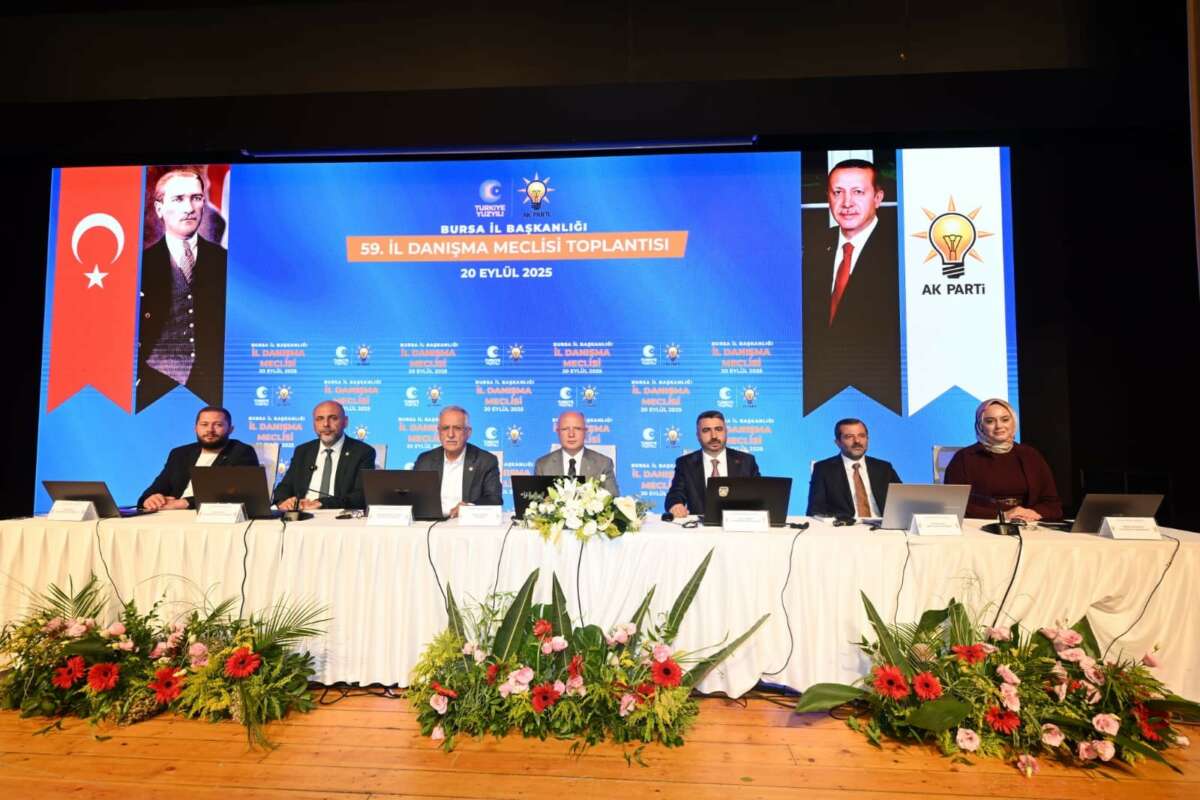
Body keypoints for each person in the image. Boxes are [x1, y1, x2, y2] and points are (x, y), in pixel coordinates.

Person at [802, 158, 901, 415]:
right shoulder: (812, 247)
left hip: (881, 395)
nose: (846, 203)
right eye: (838, 192)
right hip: (818, 392)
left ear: (878, 198)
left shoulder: (900, 248)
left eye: (858, 192)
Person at [136, 166, 228, 412]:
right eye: (178, 199)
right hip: (154, 385)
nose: (189, 208)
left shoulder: (226, 262)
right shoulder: (140, 265)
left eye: (196, 198)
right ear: (159, 208)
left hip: (212, 386)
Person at [943, 398, 1062, 521]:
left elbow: (1052, 504)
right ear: (980, 426)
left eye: (1005, 420)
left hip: (1027, 525)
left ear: (1013, 422)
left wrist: (1033, 513)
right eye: (990, 421)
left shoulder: (1030, 455)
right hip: (981, 526)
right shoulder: (964, 458)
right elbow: (954, 505)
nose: (999, 426)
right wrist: (1001, 516)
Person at [138, 406, 258, 510]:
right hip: (170, 515)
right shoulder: (180, 454)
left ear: (230, 429)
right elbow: (156, 488)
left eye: (218, 425)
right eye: (204, 424)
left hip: (212, 517)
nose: (210, 430)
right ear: (195, 428)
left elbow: (236, 495)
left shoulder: (241, 452)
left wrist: (185, 503)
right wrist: (150, 499)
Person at [273, 400, 375, 511]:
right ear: (314, 424)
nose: (326, 424)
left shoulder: (362, 452)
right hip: (302, 514)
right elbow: (284, 487)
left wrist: (322, 503)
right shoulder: (303, 451)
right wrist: (283, 501)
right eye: (319, 419)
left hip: (337, 515)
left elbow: (361, 496)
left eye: (333, 418)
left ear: (345, 422)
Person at [665, 410, 760, 518]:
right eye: (706, 430)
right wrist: (675, 505)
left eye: (718, 429)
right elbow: (675, 494)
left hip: (739, 524)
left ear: (726, 432)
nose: (714, 436)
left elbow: (759, 494)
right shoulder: (685, 464)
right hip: (700, 526)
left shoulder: (746, 461)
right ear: (698, 435)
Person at [413, 405, 502, 518]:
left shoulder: (485, 461)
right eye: (445, 428)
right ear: (439, 432)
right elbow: (414, 498)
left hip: (466, 523)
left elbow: (494, 499)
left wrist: (469, 508)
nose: (450, 435)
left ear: (468, 432)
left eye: (457, 428)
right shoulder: (425, 460)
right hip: (431, 523)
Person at [807, 418, 901, 518]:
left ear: (867, 439)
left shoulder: (884, 468)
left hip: (882, 525)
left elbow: (903, 501)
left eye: (862, 435)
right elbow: (815, 511)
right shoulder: (823, 469)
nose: (857, 441)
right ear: (838, 442)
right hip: (845, 525)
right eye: (849, 437)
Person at [533, 411, 619, 495]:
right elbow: (536, 500)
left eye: (577, 429)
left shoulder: (603, 464)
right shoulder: (543, 465)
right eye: (565, 429)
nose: (571, 434)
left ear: (585, 432)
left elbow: (612, 499)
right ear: (558, 432)